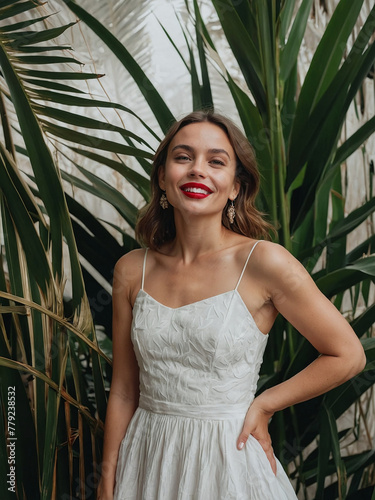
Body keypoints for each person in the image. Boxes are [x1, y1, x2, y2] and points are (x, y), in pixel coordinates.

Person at [97, 110, 366, 500]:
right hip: (147, 460)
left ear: (236, 186)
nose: (197, 170)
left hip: (228, 461)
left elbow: (348, 355)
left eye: (216, 161)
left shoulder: (263, 263)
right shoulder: (131, 270)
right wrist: (108, 480)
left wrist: (266, 404)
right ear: (162, 177)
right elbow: (124, 390)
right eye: (183, 157)